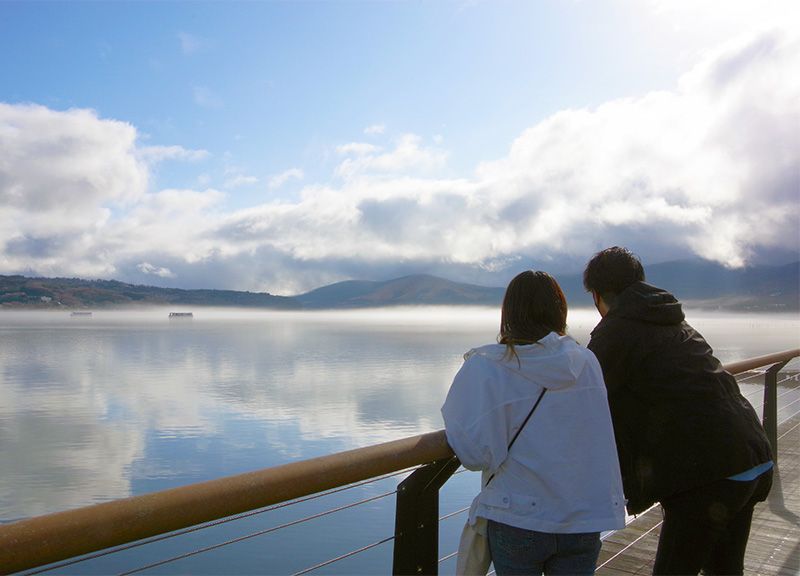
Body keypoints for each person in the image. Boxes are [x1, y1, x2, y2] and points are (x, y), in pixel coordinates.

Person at [583, 246, 774, 575]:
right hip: (752, 456)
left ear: (598, 295)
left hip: (709, 474)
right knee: (725, 570)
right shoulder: (670, 318)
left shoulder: (616, 332)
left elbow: (581, 398)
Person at [442, 270, 626, 575]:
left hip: (517, 517)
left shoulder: (487, 366)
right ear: (559, 311)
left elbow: (472, 455)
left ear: (509, 313)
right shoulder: (585, 362)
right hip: (581, 517)